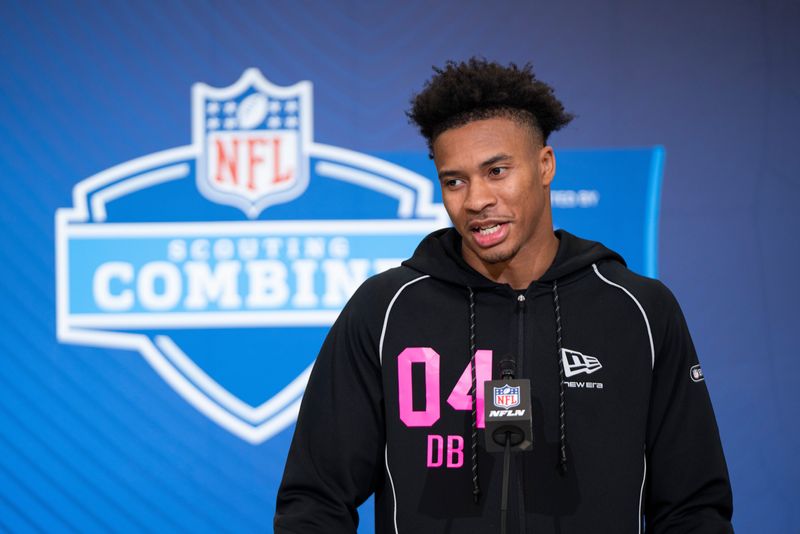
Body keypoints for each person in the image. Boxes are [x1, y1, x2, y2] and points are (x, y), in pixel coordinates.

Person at [274, 58, 733, 533]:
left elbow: (692, 507)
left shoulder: (640, 310)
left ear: (544, 165)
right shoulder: (385, 309)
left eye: (496, 171)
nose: (475, 200)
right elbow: (315, 500)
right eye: (455, 180)